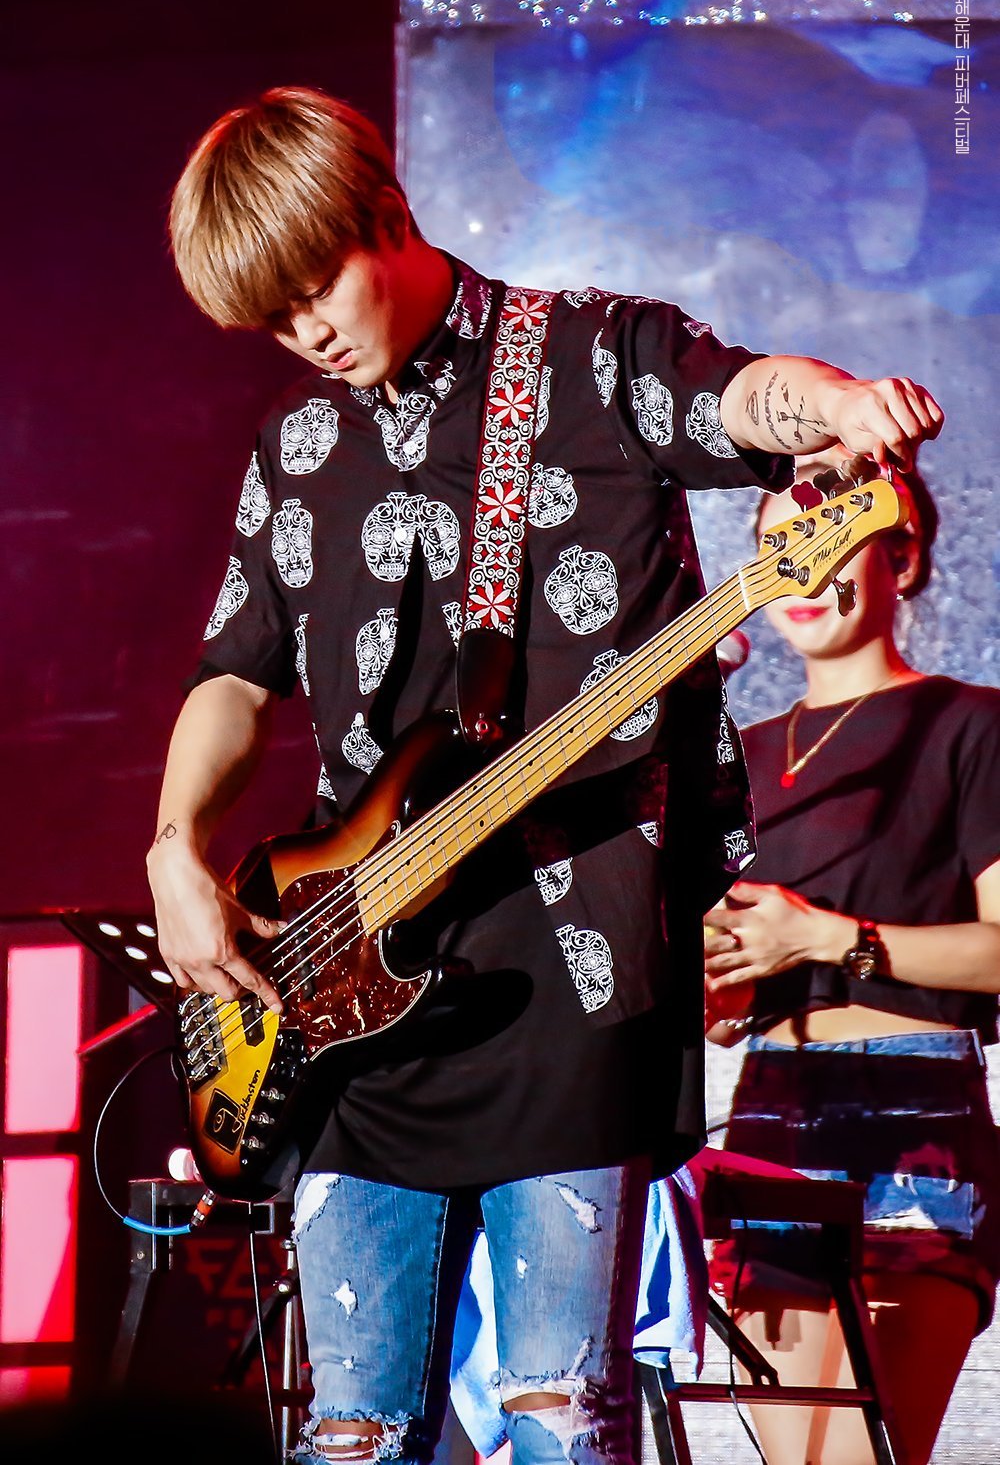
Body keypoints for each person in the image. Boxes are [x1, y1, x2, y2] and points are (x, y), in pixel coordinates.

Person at [147, 85, 944, 1465]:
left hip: (570, 974)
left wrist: (834, 400)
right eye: (273, 320)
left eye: (315, 288)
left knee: (559, 1418)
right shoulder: (296, 447)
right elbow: (233, 671)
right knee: (348, 1432)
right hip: (346, 988)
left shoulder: (586, 356)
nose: (307, 334)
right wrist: (175, 847)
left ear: (386, 210)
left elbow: (745, 393)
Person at [704, 453, 1000, 1465]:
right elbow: (725, 987)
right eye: (778, 549)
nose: (803, 570)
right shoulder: (736, 757)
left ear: (900, 558)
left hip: (914, 1111)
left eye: (832, 544)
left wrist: (832, 938)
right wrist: (719, 986)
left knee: (863, 1455)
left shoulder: (971, 724)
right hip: (771, 1112)